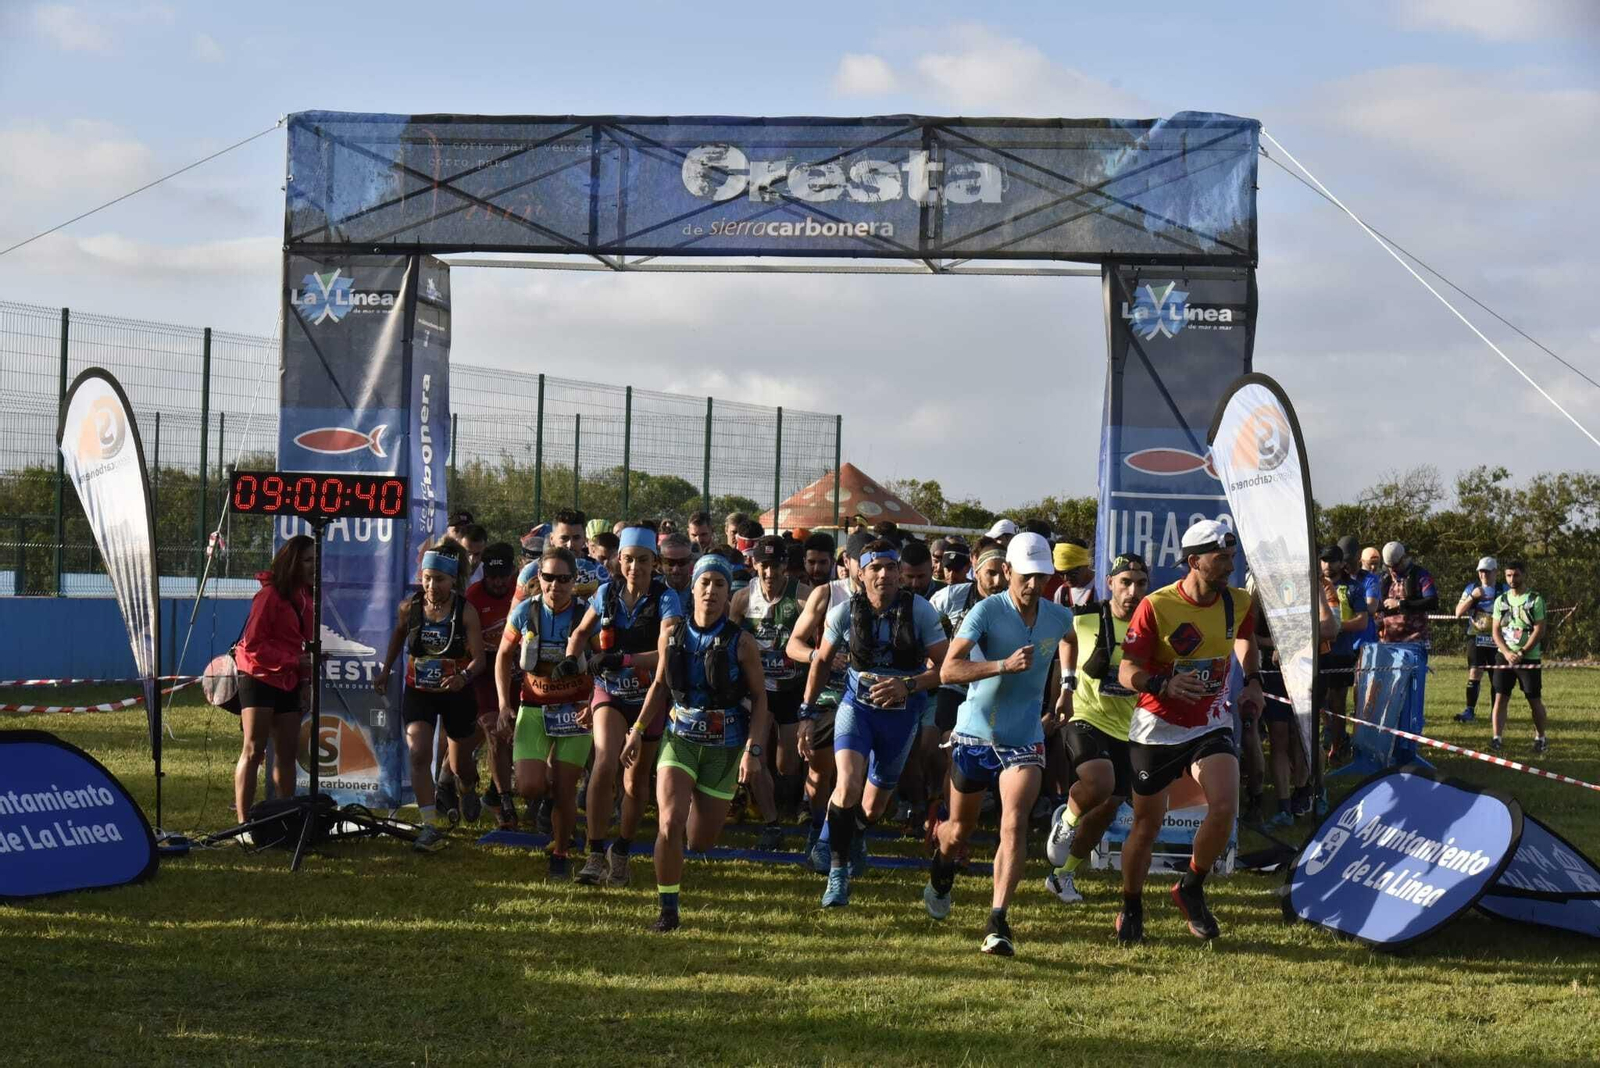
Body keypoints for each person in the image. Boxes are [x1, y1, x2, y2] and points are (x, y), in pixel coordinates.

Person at [922, 533, 1074, 956]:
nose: (1034, 585)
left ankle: (998, 920)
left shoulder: (1057, 614)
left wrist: (1068, 685)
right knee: (959, 832)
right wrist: (1000, 666)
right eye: (1026, 576)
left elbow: (1069, 639)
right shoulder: (985, 612)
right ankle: (942, 867)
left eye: (1042, 577)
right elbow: (949, 670)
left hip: (1024, 736)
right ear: (1007, 572)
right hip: (975, 734)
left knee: (1014, 823)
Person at [1113, 520, 1262, 942]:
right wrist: (1163, 683)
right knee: (1147, 824)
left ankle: (1191, 887)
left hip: (1210, 721)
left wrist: (1253, 680)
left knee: (1224, 805)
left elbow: (1245, 642)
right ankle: (1131, 904)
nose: (1230, 565)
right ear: (1194, 561)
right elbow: (1127, 671)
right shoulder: (1157, 605)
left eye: (1232, 556)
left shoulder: (1238, 602)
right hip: (1157, 726)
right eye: (1221, 557)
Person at [798, 538, 949, 908]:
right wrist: (806, 712)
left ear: (899, 572)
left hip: (901, 717)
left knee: (872, 807)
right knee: (847, 784)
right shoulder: (843, 612)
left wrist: (907, 684)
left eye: (890, 567)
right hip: (857, 709)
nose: (884, 574)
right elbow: (820, 662)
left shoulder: (922, 612)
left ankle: (855, 834)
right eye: (875, 568)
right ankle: (837, 874)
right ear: (859, 573)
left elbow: (947, 669)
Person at [623, 553, 769, 932]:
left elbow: (761, 700)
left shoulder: (742, 643)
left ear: (727, 592)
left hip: (725, 746)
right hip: (680, 738)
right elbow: (658, 687)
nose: (711, 591)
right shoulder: (672, 633)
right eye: (705, 582)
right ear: (693, 587)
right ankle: (668, 909)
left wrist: (753, 752)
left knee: (700, 841)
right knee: (668, 823)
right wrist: (637, 730)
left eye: (719, 584)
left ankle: (694, 826)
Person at [566, 524, 684, 887]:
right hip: (610, 694)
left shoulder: (667, 599)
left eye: (643, 561)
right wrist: (573, 661)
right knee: (604, 762)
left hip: (650, 698)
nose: (635, 567)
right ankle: (596, 851)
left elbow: (666, 658)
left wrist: (626, 659)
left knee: (635, 780)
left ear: (655, 563)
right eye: (629, 560)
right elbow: (580, 634)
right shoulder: (606, 593)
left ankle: (622, 850)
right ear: (619, 561)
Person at [1044, 552, 1149, 905]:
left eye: (1140, 584)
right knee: (1099, 781)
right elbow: (1064, 639)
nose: (1132, 591)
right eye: (1125, 583)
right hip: (1085, 714)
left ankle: (1063, 875)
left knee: (1108, 806)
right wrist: (1067, 687)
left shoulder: (1152, 625)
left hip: (1128, 726)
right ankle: (1067, 821)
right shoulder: (1086, 616)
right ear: (1110, 584)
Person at [374, 541, 488, 853]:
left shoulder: (466, 611)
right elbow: (398, 635)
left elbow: (480, 659)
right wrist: (385, 671)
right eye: (426, 578)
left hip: (456, 694)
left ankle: (467, 786)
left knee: (460, 761)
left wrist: (462, 677)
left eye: (438, 579)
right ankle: (430, 824)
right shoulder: (409, 607)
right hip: (419, 692)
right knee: (419, 752)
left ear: (452, 580)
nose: (431, 585)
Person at [496, 546, 593, 877]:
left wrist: (593, 704)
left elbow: (603, 663)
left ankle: (562, 851)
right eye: (549, 577)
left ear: (574, 580)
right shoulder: (524, 611)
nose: (556, 585)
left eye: (563, 579)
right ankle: (555, 808)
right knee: (530, 787)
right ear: (539, 578)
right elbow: (504, 655)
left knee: (566, 791)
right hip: (534, 708)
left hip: (575, 713)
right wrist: (503, 704)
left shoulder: (586, 614)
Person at [786, 529, 871, 871]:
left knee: (857, 776)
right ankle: (817, 831)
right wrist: (819, 656)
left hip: (867, 697)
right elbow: (793, 644)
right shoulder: (826, 594)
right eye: (862, 562)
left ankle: (848, 838)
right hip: (826, 693)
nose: (870, 570)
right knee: (820, 772)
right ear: (847, 562)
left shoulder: (892, 597)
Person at [922, 538, 1007, 838]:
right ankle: (947, 818)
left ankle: (999, 827)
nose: (998, 581)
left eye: (1003, 573)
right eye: (991, 574)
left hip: (997, 692)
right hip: (956, 688)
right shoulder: (947, 599)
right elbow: (928, 648)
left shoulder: (1015, 603)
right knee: (953, 751)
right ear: (976, 568)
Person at [730, 535, 811, 850]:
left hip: (791, 689)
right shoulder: (741, 599)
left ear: (785, 567)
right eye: (763, 565)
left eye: (775, 566)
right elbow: (728, 642)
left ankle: (788, 801)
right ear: (753, 564)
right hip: (757, 692)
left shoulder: (803, 597)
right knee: (756, 755)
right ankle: (771, 822)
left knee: (785, 765)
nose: (769, 573)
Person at [231, 535, 315, 823]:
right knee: (254, 749)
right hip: (258, 676)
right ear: (292, 563)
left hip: (289, 680)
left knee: (287, 753)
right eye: (307, 560)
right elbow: (253, 644)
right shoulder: (268, 596)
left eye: (315, 560)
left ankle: (286, 818)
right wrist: (292, 661)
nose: (313, 566)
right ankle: (243, 823)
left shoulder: (307, 597)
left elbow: (304, 644)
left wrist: (305, 681)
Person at [465, 542, 520, 829]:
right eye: (492, 576)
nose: (498, 583)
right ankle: (505, 799)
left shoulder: (521, 589)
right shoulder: (473, 597)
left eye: (503, 576)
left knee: (516, 734)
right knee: (494, 729)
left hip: (520, 667)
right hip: (487, 669)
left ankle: (492, 793)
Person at [1490, 560, 1549, 753]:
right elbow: (1495, 631)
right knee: (1500, 698)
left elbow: (1539, 629)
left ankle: (1541, 738)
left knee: (1534, 699)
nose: (1512, 579)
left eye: (1515, 575)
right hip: (1504, 656)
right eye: (1508, 575)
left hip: (1528, 657)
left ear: (1523, 575)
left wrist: (1522, 652)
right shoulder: (1501, 601)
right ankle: (1497, 738)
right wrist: (1507, 652)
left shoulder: (1535, 599)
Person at [1454, 556, 1506, 724]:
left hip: (1498, 638)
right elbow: (1458, 612)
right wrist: (1473, 597)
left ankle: (1495, 712)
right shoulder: (1471, 588)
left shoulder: (1503, 589)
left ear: (1495, 572)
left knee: (1496, 676)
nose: (1483, 575)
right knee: (1475, 673)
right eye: (1480, 572)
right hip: (1476, 636)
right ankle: (1469, 711)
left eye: (1487, 572)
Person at [1377, 541, 1438, 647]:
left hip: (1415, 640)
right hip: (1389, 641)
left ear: (1404, 558)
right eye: (1389, 567)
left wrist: (1401, 604)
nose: (1393, 570)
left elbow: (1433, 602)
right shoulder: (1384, 578)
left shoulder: (1420, 575)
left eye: (1395, 566)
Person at [1051, 540, 1096, 608]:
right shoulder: (1061, 593)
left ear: (1085, 564)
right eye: (1060, 574)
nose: (1066, 578)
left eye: (1071, 573)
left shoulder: (1103, 588)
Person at [658, 531, 696, 597]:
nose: (676, 569)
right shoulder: (650, 591)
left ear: (691, 560)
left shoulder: (700, 591)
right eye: (670, 562)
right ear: (661, 561)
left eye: (682, 562)